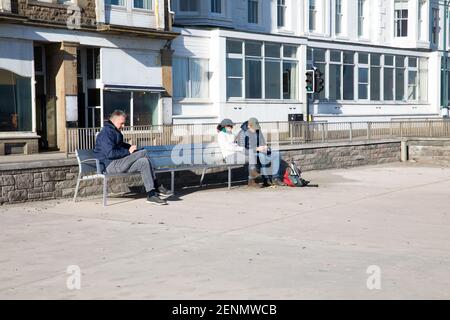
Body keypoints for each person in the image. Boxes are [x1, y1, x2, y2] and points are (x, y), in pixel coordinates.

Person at [94, 110, 172, 205]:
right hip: (109, 166)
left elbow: (121, 145)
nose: (123, 126)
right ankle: (157, 185)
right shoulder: (106, 133)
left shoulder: (114, 131)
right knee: (144, 152)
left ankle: (151, 195)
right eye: (121, 123)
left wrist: (130, 147)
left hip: (118, 163)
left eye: (124, 123)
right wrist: (128, 151)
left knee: (144, 162)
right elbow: (110, 153)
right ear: (114, 121)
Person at [236, 117, 285, 187]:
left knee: (277, 154)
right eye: (254, 128)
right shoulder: (242, 133)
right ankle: (266, 179)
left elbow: (263, 142)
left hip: (261, 150)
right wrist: (256, 149)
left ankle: (276, 178)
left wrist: (265, 147)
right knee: (262, 156)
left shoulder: (258, 130)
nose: (256, 129)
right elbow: (242, 149)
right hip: (251, 153)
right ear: (249, 126)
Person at [217, 119, 261, 188]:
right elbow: (229, 147)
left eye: (232, 126)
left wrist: (239, 147)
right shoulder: (221, 135)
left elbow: (235, 145)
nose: (232, 127)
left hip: (237, 154)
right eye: (230, 126)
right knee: (252, 156)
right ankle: (252, 178)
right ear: (224, 126)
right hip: (229, 156)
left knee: (252, 154)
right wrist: (241, 148)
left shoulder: (230, 134)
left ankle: (252, 178)